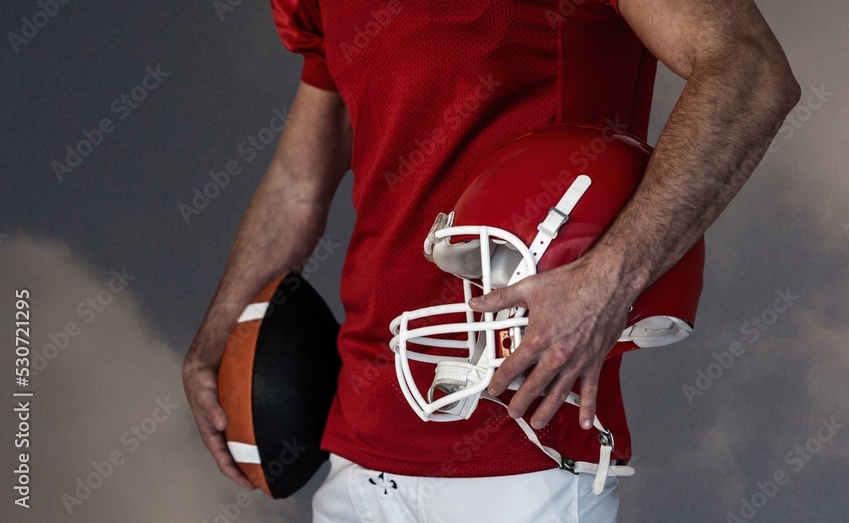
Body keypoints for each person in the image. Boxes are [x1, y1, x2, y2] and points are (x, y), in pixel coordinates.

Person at [182, 1, 800, 521]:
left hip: (522, 450)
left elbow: (749, 68)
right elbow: (298, 184)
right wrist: (216, 335)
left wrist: (610, 281)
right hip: (360, 450)